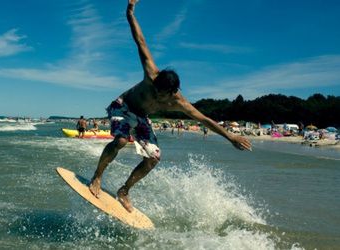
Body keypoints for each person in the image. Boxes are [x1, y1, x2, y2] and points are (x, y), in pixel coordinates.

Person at [88, 0, 252, 212]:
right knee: (120, 140)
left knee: (154, 158)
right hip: (123, 106)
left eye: (160, 92)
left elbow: (205, 120)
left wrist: (231, 137)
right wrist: (130, 11)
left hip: (141, 118)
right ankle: (97, 176)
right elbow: (140, 41)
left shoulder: (179, 102)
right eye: (155, 88)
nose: (155, 92)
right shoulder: (152, 74)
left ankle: (124, 191)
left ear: (172, 93)